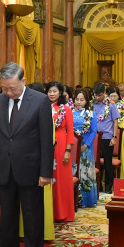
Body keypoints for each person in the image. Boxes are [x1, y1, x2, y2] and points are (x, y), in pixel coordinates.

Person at [0, 62, 53, 247]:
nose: (8, 92)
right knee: (8, 220)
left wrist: (45, 172)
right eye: (4, 88)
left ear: (23, 81)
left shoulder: (40, 100)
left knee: (33, 221)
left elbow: (46, 139)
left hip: (31, 171)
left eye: (12, 88)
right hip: (5, 170)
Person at [47, 81, 75, 222]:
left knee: (61, 181)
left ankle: (63, 213)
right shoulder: (43, 107)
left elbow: (70, 131)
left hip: (61, 147)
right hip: (46, 146)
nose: (52, 94)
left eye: (55, 91)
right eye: (49, 91)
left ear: (60, 93)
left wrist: (68, 150)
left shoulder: (65, 109)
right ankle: (49, 213)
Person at [93, 82, 120, 193]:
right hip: (94, 138)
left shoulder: (111, 105)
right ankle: (98, 186)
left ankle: (108, 187)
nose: (97, 97)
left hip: (107, 137)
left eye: (99, 95)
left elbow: (115, 121)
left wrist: (114, 137)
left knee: (108, 163)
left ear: (104, 92)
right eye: (95, 95)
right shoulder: (92, 104)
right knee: (96, 162)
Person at [73, 88, 98, 207]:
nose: (79, 102)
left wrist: (85, 145)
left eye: (81, 100)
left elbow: (93, 131)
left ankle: (86, 200)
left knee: (86, 172)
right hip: (72, 146)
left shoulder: (91, 114)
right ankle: (73, 199)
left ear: (87, 101)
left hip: (86, 147)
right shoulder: (69, 112)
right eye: (77, 99)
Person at [108, 88, 124, 179]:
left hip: (121, 131)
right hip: (110, 131)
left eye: (115, 96)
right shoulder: (107, 105)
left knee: (121, 154)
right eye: (111, 96)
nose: (113, 98)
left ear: (118, 96)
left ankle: (122, 177)